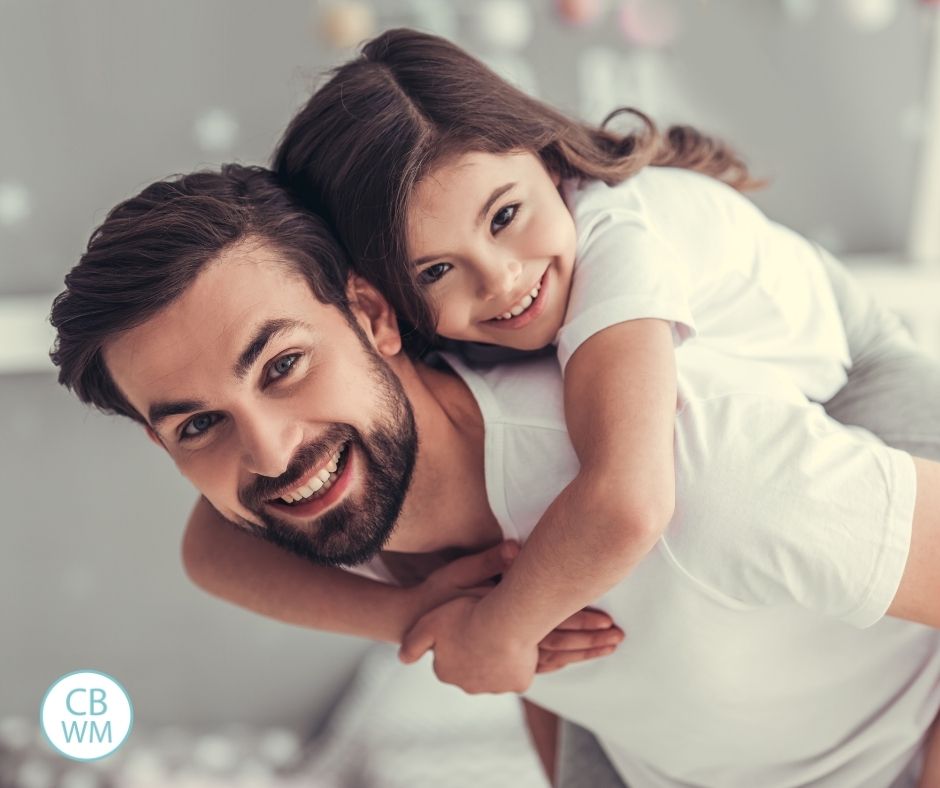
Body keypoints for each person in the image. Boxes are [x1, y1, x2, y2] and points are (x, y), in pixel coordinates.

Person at [50, 165, 940, 787]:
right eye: (199, 425)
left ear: (371, 314)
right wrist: (425, 615)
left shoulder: (693, 464)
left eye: (283, 365)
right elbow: (209, 550)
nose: (274, 453)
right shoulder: (330, 508)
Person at [271, 28, 857, 696]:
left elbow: (628, 499)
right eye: (434, 270)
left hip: (859, 359)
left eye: (505, 216)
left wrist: (499, 633)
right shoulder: (460, 341)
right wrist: (415, 612)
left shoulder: (615, 237)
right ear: (382, 301)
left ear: (550, 163)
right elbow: (209, 547)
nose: (498, 279)